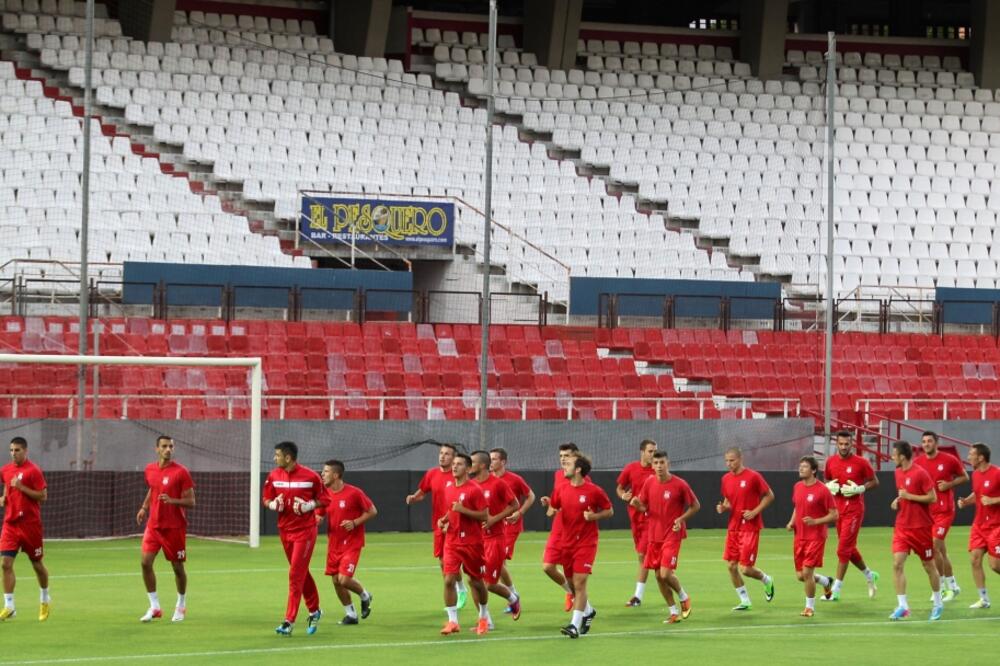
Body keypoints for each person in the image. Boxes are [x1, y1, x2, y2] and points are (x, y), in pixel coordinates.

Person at [629, 450, 699, 624]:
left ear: (669, 464)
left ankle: (684, 597)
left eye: (662, 463)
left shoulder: (680, 484)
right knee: (659, 576)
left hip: (672, 534)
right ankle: (673, 612)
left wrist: (681, 519)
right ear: (652, 465)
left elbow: (695, 505)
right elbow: (644, 507)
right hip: (654, 536)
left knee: (666, 573)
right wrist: (637, 504)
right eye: (656, 463)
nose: (659, 466)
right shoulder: (649, 482)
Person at [263, 441, 325, 636]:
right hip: (285, 531)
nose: (275, 458)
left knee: (294, 575)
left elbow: (325, 499)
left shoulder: (311, 477)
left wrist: (308, 506)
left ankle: (289, 621)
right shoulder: (273, 476)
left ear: (288, 457)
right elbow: (266, 499)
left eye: (277, 455)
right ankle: (315, 610)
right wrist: (274, 505)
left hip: (305, 531)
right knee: (300, 572)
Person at [551, 452, 613, 638]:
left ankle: (574, 626)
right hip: (566, 543)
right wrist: (548, 504)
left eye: (568, 463)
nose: (564, 466)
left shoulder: (594, 491)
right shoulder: (561, 489)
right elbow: (555, 507)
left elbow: (609, 511)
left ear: (578, 469)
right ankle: (589, 611)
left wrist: (594, 516)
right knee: (571, 584)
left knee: (579, 584)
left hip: (586, 544)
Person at [136, 435, 195, 623]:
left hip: (174, 527)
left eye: (171, 446)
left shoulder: (181, 472)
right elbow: (153, 489)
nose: (168, 449)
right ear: (157, 449)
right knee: (145, 563)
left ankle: (181, 604)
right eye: (164, 446)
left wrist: (173, 501)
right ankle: (154, 607)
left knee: (177, 568)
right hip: (153, 526)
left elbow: (191, 501)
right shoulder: (149, 469)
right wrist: (145, 508)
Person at [405, 443, 469, 608]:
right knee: (443, 562)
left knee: (456, 561)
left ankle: (461, 590)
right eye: (441, 453)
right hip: (439, 525)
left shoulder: (458, 477)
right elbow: (422, 492)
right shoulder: (432, 473)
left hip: (457, 526)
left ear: (454, 458)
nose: (442, 456)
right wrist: (414, 497)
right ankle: (460, 588)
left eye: (447, 454)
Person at [316, 459, 376, 625]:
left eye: (326, 471)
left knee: (344, 579)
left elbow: (372, 511)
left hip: (351, 543)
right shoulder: (325, 494)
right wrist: (315, 519)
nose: (322, 474)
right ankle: (351, 615)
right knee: (336, 581)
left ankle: (365, 595)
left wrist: (355, 522)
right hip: (333, 544)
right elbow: (319, 515)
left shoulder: (354, 493)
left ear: (336, 475)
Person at [889, 440, 943, 621]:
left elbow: (932, 498)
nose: (892, 457)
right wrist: (898, 501)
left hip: (921, 528)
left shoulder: (920, 473)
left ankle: (938, 603)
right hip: (902, 526)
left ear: (902, 456)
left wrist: (908, 496)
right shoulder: (897, 472)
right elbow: (903, 494)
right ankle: (902, 606)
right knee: (897, 564)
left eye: (894, 454)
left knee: (928, 566)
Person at [822, 430, 880, 601]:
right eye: (840, 444)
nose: (844, 447)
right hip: (838, 510)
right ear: (836, 444)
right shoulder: (830, 462)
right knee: (848, 549)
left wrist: (861, 488)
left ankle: (836, 589)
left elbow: (875, 481)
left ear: (852, 444)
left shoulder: (861, 462)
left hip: (854, 510)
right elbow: (826, 480)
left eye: (847, 444)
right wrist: (828, 487)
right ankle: (870, 576)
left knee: (842, 550)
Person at [438, 453, 491, 636]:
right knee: (448, 580)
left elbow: (484, 515)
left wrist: (463, 510)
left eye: (459, 464)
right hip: (452, 541)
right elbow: (452, 509)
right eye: (453, 464)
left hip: (472, 542)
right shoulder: (449, 487)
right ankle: (453, 622)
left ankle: (483, 617)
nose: (454, 467)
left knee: (476, 582)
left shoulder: (474, 490)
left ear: (468, 469)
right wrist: (444, 519)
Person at [717, 447, 775, 610]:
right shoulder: (726, 479)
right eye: (726, 460)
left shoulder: (753, 476)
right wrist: (724, 508)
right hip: (733, 527)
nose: (729, 464)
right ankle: (745, 600)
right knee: (731, 566)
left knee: (746, 569)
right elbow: (728, 501)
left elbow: (770, 495)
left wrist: (755, 511)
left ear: (740, 458)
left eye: (732, 460)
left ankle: (766, 579)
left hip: (750, 527)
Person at [913, 431, 968, 602]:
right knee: (941, 551)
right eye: (924, 441)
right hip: (928, 513)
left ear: (936, 443)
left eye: (930, 441)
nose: (926, 444)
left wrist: (949, 484)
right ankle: (953, 586)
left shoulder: (949, 460)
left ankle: (942, 587)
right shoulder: (918, 462)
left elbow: (964, 477)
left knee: (934, 546)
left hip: (945, 511)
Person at [0, 437, 49, 622]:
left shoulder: (33, 471)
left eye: (17, 450)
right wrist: (4, 498)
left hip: (30, 525)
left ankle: (45, 599)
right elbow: (6, 485)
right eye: (11, 450)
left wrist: (21, 487)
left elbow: (43, 496)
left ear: (25, 451)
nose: (14, 453)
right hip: (11, 524)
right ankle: (9, 606)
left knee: (37, 565)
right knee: (5, 564)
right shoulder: (5, 469)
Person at [470, 451, 521, 622]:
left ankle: (513, 598)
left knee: (489, 584)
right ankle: (486, 621)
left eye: (473, 462)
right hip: (476, 540)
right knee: (474, 581)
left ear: (482, 465)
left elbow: (515, 504)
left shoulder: (497, 484)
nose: (470, 465)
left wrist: (494, 520)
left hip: (495, 539)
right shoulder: (470, 485)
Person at [786, 456, 838, 617]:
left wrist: (816, 521)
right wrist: (791, 522)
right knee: (801, 576)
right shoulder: (797, 487)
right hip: (799, 536)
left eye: (805, 467)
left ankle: (810, 607)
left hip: (816, 537)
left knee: (807, 573)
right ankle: (826, 581)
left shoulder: (822, 490)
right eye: (800, 466)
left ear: (814, 470)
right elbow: (797, 507)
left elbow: (834, 515)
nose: (801, 469)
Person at [489, 447, 535, 605]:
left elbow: (531, 496)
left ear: (503, 462)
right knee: (500, 563)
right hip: (493, 527)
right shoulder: (488, 480)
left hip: (510, 526)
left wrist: (520, 513)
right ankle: (513, 596)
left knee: (499, 562)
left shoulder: (514, 479)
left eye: (494, 459)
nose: (491, 461)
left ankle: (513, 597)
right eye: (490, 458)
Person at [956, 443, 1000, 609]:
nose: (968, 457)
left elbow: (989, 497)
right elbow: (979, 493)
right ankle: (984, 599)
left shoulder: (997, 473)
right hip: (979, 525)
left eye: (971, 454)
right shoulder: (975, 475)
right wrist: (967, 501)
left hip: (996, 526)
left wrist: (994, 500)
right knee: (975, 560)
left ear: (981, 457)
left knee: (995, 565)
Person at [616, 439, 658, 606]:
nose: (653, 454)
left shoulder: (658, 470)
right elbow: (620, 488)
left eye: (655, 451)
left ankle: (638, 596)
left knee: (643, 555)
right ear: (642, 452)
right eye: (650, 451)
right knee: (645, 559)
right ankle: (672, 586)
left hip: (651, 518)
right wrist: (623, 496)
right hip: (635, 518)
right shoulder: (631, 468)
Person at [540, 443, 580, 612]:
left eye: (567, 456)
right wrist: (549, 504)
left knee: (572, 575)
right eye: (561, 456)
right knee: (547, 566)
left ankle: (582, 612)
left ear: (576, 457)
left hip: (573, 532)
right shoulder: (558, 475)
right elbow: (557, 502)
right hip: (558, 530)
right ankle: (569, 593)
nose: (563, 459)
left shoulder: (583, 478)